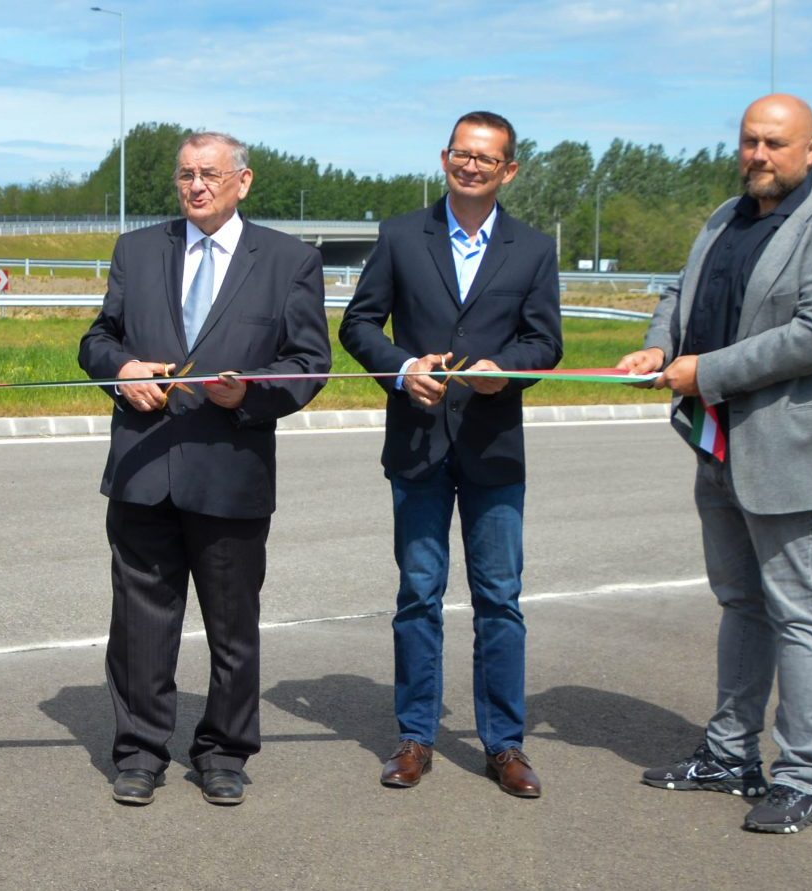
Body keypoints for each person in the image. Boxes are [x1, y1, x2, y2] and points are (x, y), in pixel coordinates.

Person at [618, 94, 812, 835]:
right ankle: (731, 753)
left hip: (792, 452)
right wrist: (659, 346)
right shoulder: (725, 217)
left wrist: (705, 372)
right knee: (740, 601)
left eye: (774, 143)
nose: (758, 155)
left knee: (799, 611)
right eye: (748, 142)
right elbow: (682, 292)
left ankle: (801, 778)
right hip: (718, 443)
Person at [77, 131, 330, 807]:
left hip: (230, 471)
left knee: (232, 628)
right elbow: (98, 338)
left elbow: (309, 362)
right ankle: (139, 750)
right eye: (185, 175)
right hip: (143, 470)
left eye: (210, 174)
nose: (195, 186)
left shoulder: (288, 260)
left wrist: (249, 392)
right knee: (138, 626)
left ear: (242, 182)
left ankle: (224, 751)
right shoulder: (137, 249)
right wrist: (121, 371)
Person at [338, 111, 562, 798]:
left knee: (500, 599)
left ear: (509, 170)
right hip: (419, 444)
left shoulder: (532, 248)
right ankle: (414, 737)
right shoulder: (403, 236)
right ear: (444, 159)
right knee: (418, 593)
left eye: (486, 158)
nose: (471, 166)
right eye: (461, 154)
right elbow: (357, 323)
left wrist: (507, 368)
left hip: (493, 448)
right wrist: (403, 367)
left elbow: (544, 341)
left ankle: (505, 744)